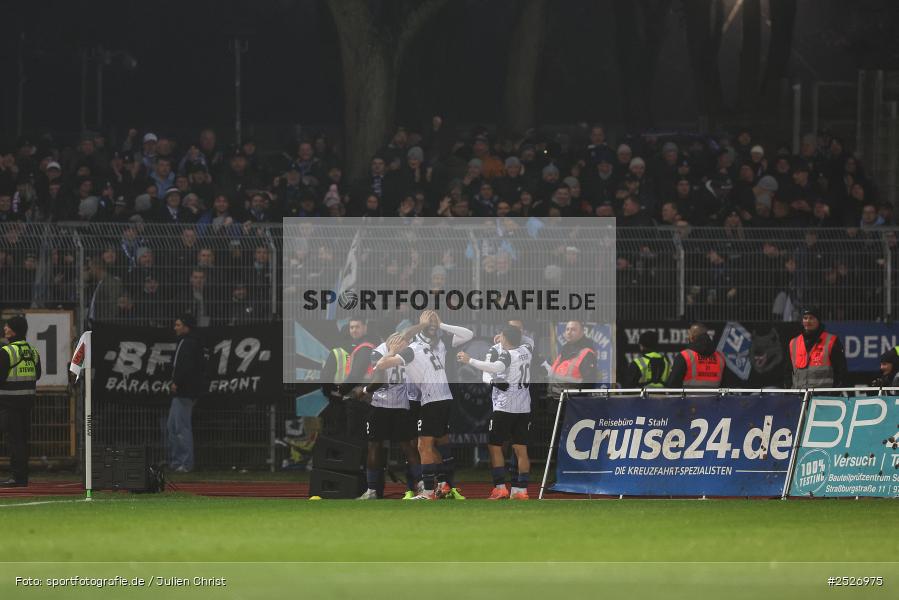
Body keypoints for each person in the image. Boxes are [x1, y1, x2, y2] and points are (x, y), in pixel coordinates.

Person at [374, 310, 473, 500]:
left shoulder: (412, 350)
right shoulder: (424, 347)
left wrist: (392, 351)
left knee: (423, 446)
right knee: (430, 446)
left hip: (432, 401)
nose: (398, 341)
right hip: (443, 399)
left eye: (399, 340)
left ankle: (428, 492)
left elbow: (381, 365)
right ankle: (443, 485)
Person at [457, 325, 533, 500]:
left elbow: (496, 367)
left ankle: (500, 488)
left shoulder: (507, 354)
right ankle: (521, 491)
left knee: (494, 446)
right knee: (521, 449)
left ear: (505, 338)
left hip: (504, 406)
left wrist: (470, 360)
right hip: (524, 407)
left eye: (502, 336)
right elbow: (527, 341)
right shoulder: (526, 350)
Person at [356, 333, 422, 500]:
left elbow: (380, 380)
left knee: (380, 446)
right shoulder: (382, 352)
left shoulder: (397, 352)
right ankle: (421, 486)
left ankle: (373, 490)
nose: (401, 342)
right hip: (394, 406)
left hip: (387, 406)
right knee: (402, 447)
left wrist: (364, 390)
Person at [0, 316, 41, 487]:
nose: (4, 329)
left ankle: (17, 477)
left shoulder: (7, 351)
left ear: (14, 330)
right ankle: (21, 477)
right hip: (27, 403)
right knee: (22, 440)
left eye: (7, 326)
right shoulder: (33, 351)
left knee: (15, 441)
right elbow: (37, 375)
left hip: (8, 404)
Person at [168, 313, 206, 473]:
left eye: (178, 325)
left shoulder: (189, 343)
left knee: (181, 427)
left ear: (186, 326)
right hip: (182, 391)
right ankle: (177, 461)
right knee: (172, 426)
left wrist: (177, 382)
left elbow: (186, 366)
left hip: (185, 391)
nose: (175, 328)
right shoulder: (186, 342)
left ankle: (185, 463)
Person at [786, 307, 846, 389]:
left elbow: (841, 371)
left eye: (811, 318)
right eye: (805, 318)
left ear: (818, 320)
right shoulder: (794, 343)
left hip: (823, 398)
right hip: (799, 397)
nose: (808, 321)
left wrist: (834, 393)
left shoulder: (831, 341)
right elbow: (787, 371)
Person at [547, 321, 597, 399]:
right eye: (567, 329)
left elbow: (589, 383)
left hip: (572, 403)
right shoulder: (565, 351)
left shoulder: (587, 353)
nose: (569, 332)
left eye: (573, 330)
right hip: (555, 401)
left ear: (582, 332)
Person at [665, 323, 724, 388]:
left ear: (692, 337)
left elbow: (673, 384)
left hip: (688, 397)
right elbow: (726, 386)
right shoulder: (720, 357)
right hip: (714, 397)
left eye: (689, 334)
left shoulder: (685, 356)